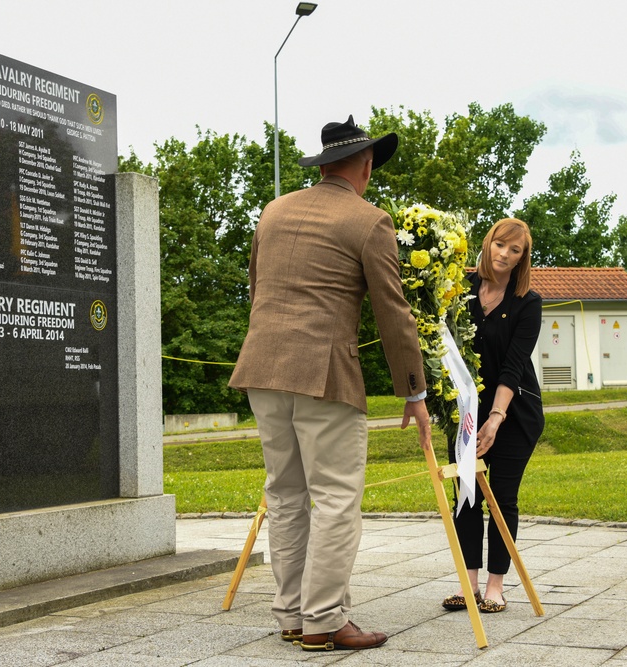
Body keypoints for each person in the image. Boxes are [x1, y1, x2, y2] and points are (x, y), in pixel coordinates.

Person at [229, 115, 431, 652]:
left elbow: (256, 288)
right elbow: (394, 312)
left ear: (322, 165)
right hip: (324, 374)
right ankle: (323, 620)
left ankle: (292, 615)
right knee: (337, 499)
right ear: (365, 166)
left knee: (286, 497)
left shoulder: (274, 211)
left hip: (262, 368)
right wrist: (414, 390)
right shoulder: (369, 221)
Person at [441, 217, 544, 614]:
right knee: (465, 496)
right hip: (466, 410)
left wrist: (496, 417)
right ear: (488, 244)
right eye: (500, 244)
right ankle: (468, 586)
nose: (504, 254)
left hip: (513, 412)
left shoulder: (528, 303)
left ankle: (495, 588)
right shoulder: (460, 290)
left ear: (522, 259)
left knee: (501, 497)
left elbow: (513, 367)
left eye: (514, 250)